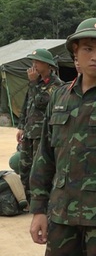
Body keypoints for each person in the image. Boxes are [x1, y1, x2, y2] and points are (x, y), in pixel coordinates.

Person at [29, 17, 96, 256]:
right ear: (75, 55)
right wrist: (38, 209)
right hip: (61, 216)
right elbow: (45, 155)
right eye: (88, 49)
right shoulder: (59, 96)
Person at [16, 48, 63, 204]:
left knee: (39, 170)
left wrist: (34, 82)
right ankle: (26, 201)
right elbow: (27, 105)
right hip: (29, 132)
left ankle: (40, 202)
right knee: (24, 167)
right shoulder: (34, 82)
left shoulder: (56, 85)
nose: (33, 65)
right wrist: (21, 126)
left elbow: (41, 102)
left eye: (37, 62)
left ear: (47, 65)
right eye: (33, 61)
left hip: (42, 134)